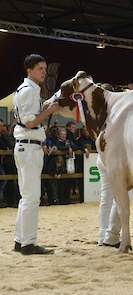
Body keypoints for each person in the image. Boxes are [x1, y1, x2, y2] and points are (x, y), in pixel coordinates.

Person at [13, 53, 59, 255]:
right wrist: (49, 111)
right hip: (29, 146)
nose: (44, 72)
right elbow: (30, 122)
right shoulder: (29, 91)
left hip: (25, 146)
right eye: (40, 68)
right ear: (29, 70)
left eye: (45, 68)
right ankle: (28, 244)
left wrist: (47, 106)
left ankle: (20, 240)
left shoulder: (25, 90)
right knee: (32, 198)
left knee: (26, 197)